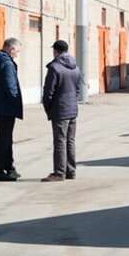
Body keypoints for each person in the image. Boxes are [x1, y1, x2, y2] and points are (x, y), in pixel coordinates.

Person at [41, 40, 83, 182]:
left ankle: (59, 172)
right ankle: (71, 170)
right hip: (72, 109)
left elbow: (48, 92)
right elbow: (77, 89)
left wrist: (48, 107)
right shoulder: (76, 67)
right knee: (70, 141)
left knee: (60, 141)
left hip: (60, 110)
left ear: (55, 51)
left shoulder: (55, 68)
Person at [0, 37, 23, 181]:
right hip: (6, 106)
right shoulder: (7, 64)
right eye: (17, 51)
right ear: (11, 49)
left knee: (5, 138)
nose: (17, 55)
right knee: (3, 139)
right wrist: (16, 102)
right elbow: (11, 86)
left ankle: (9, 167)